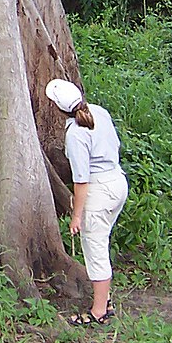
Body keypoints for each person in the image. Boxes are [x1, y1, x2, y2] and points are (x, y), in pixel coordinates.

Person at [46, 78, 128, 325]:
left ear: (59, 109)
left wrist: (77, 216)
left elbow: (81, 180)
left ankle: (99, 311)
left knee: (95, 247)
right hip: (117, 181)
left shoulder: (75, 134)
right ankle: (105, 299)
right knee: (100, 241)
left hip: (99, 189)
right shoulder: (99, 112)